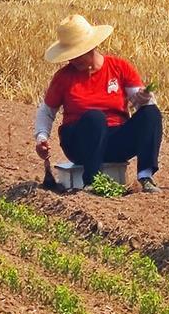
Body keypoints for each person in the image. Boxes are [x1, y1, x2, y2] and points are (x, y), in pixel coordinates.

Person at [34, 14, 162, 193]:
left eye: (78, 54)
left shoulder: (119, 67)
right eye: (70, 56)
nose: (73, 60)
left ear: (92, 46)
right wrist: (41, 137)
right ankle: (91, 181)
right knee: (95, 117)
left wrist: (144, 99)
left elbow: (141, 100)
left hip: (116, 140)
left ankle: (145, 175)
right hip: (80, 143)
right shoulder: (63, 77)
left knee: (151, 112)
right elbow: (46, 111)